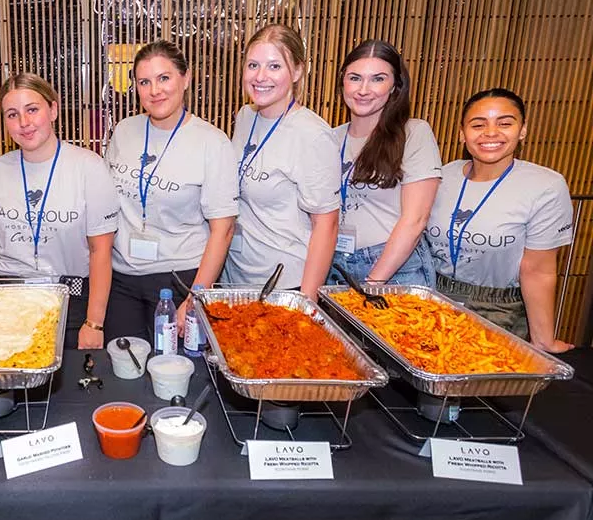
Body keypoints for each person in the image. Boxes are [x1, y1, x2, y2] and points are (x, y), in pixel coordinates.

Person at [0, 73, 119, 349]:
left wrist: (94, 323)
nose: (23, 123)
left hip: (70, 300)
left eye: (32, 110)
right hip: (6, 300)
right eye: (12, 114)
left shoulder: (89, 168)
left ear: (53, 110)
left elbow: (101, 251)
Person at [104, 40, 238, 341]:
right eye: (144, 82)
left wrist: (194, 299)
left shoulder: (211, 142)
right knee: (122, 370)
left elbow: (224, 230)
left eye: (164, 78)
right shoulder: (125, 131)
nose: (155, 90)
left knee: (174, 372)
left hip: (179, 279)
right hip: (122, 276)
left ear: (185, 78)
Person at [425, 88, 574, 352]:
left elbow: (537, 270)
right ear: (462, 133)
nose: (491, 133)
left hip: (499, 310)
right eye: (478, 124)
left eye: (505, 123)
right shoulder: (441, 176)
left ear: (523, 130)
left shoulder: (545, 186)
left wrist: (543, 340)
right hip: (432, 299)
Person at [224, 24, 339, 298]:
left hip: (284, 284)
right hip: (235, 276)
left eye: (274, 66)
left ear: (298, 71)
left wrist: (306, 301)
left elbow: (327, 224)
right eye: (253, 65)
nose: (260, 76)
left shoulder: (312, 134)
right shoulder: (245, 117)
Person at [326, 40, 442, 286]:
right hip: (336, 265)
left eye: (378, 79)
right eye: (355, 78)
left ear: (395, 87)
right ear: (342, 82)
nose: (363, 89)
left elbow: (415, 220)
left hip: (395, 269)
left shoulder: (413, 133)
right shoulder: (330, 138)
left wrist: (373, 282)